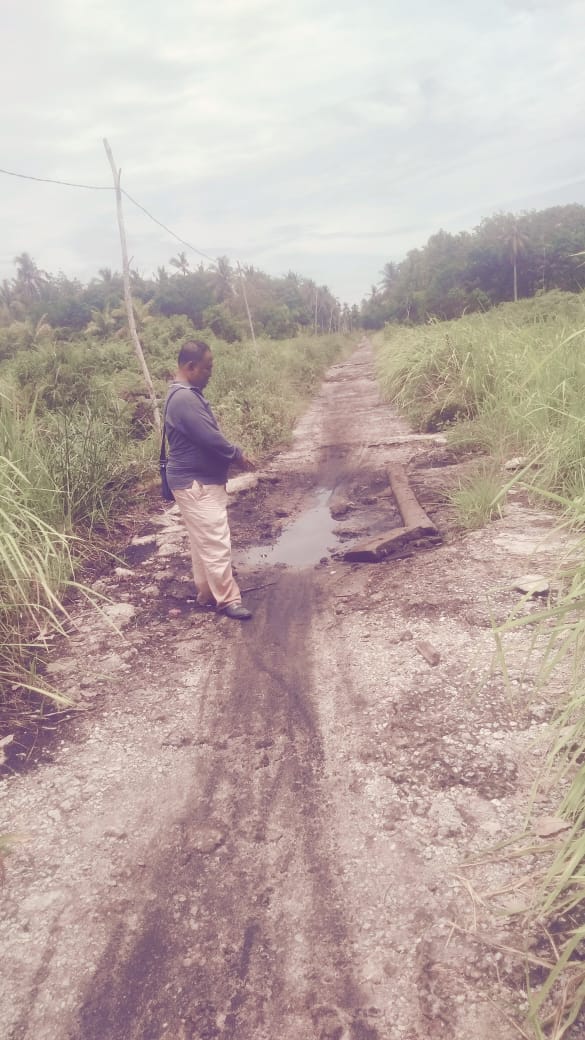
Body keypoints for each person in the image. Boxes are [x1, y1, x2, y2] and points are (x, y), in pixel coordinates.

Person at [164, 339, 256, 621]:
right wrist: (237, 455)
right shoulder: (184, 398)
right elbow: (210, 438)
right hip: (196, 483)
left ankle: (206, 592)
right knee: (215, 540)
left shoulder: (182, 394)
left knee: (201, 541)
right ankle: (228, 600)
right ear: (191, 367)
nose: (210, 373)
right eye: (207, 368)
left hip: (194, 482)